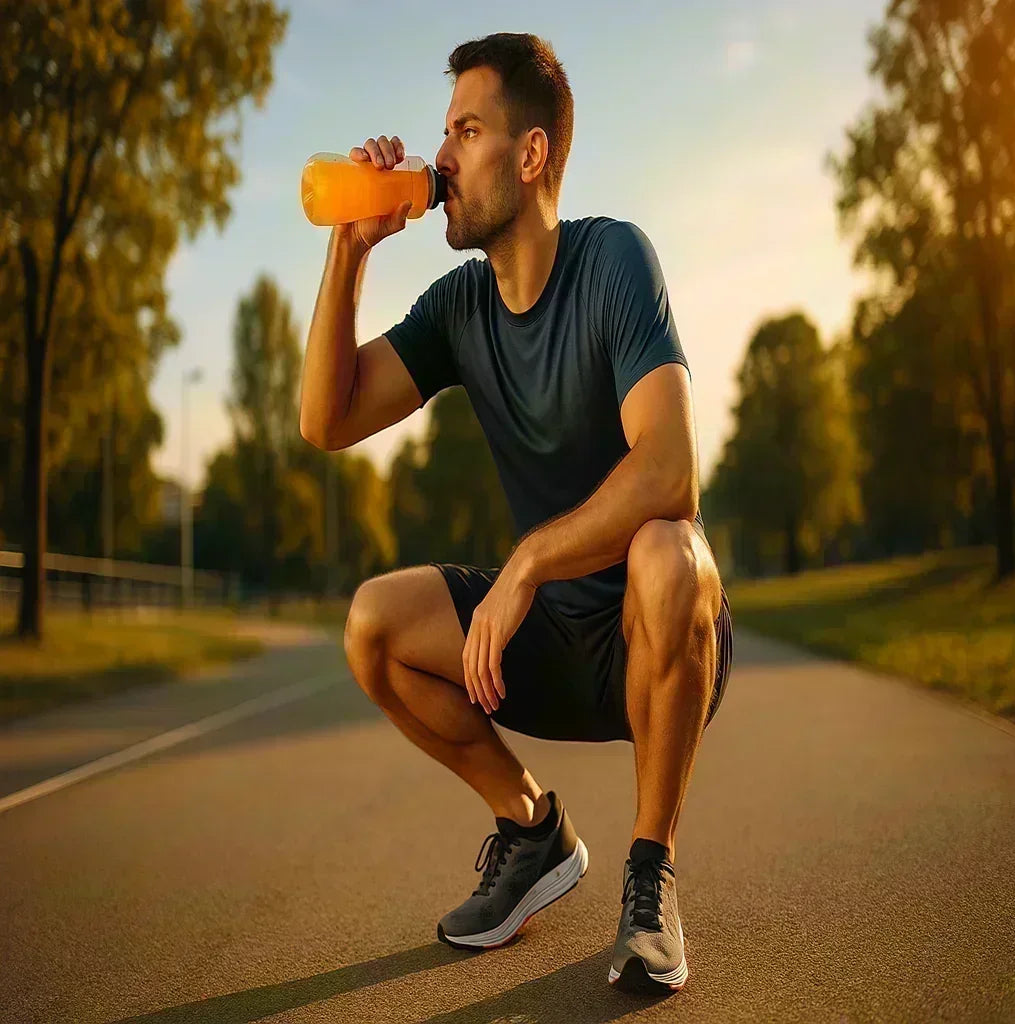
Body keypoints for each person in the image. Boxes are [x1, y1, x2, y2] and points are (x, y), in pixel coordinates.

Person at [299, 31, 733, 995]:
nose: (439, 157)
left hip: (654, 635)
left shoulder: (614, 258)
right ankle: (533, 831)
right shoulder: (459, 307)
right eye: (444, 131)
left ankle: (650, 880)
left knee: (667, 552)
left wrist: (528, 564)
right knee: (374, 624)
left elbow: (671, 471)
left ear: (531, 154)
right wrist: (349, 252)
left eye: (466, 130)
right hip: (547, 643)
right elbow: (326, 420)